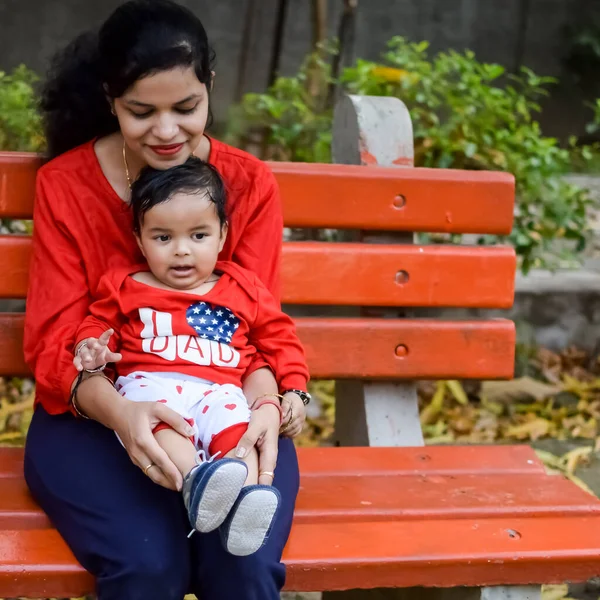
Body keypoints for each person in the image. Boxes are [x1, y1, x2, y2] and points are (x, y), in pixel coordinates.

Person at [23, 1, 309, 598]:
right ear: (109, 97)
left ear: (210, 85)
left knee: (243, 561)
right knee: (149, 563)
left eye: (186, 108)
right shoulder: (67, 186)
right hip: (94, 417)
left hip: (228, 407)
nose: (167, 131)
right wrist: (124, 416)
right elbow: (53, 345)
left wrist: (269, 408)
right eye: (140, 111)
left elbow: (254, 329)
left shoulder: (248, 185)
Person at [72, 158, 309, 557]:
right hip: (153, 387)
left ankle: (246, 505)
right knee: (164, 428)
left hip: (221, 389)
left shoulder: (241, 287)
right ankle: (197, 481)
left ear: (222, 236)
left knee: (239, 434)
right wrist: (90, 348)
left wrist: (295, 389)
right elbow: (95, 323)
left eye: (198, 235)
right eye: (163, 238)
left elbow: (279, 338)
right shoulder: (124, 285)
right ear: (139, 238)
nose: (182, 251)